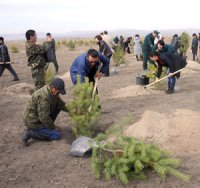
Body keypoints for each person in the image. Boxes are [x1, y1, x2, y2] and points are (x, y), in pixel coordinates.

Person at [21, 78, 68, 147]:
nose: (59, 93)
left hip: (39, 117)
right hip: (33, 121)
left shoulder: (52, 92)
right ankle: (30, 133)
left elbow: (61, 104)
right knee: (56, 135)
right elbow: (44, 117)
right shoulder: (44, 97)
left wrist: (74, 110)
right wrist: (53, 127)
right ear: (53, 88)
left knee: (58, 106)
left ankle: (46, 128)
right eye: (58, 91)